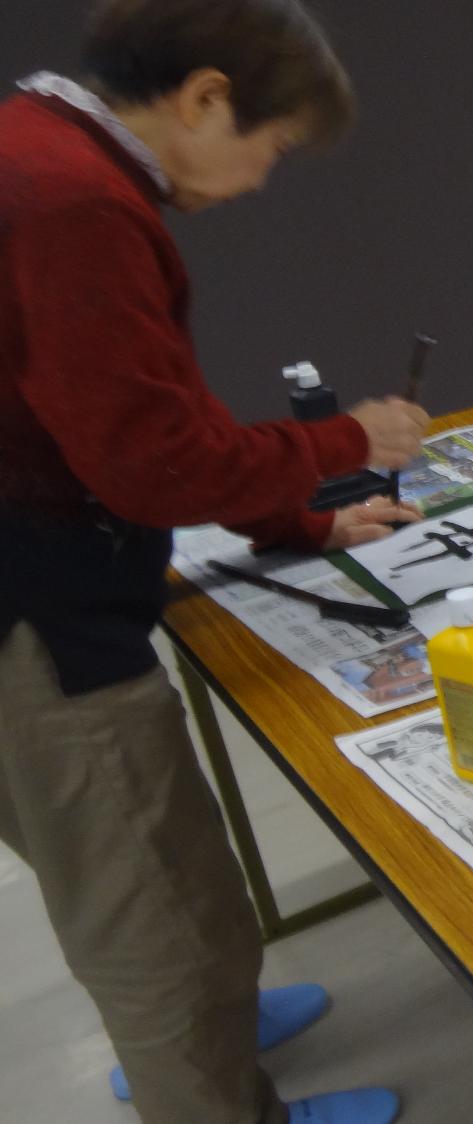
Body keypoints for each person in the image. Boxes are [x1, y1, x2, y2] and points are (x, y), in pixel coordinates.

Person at [0, 3, 428, 1122]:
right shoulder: (70, 199)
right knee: (142, 902)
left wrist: (301, 519)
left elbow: (120, 419)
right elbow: (151, 460)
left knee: (156, 858)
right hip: (38, 616)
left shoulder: (38, 147)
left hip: (51, 571)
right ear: (202, 99)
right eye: (269, 149)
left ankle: (218, 1029)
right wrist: (346, 445)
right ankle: (210, 1084)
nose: (253, 184)